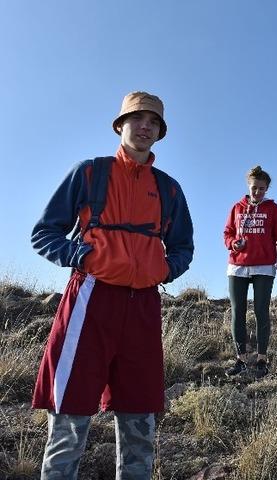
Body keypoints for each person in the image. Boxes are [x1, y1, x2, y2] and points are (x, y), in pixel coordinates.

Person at [30, 91, 193, 479]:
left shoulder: (169, 189)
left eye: (153, 122)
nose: (145, 127)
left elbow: (184, 247)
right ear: (120, 125)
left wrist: (164, 270)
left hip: (143, 306)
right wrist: (84, 258)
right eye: (137, 119)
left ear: (159, 132)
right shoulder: (90, 172)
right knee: (70, 414)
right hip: (90, 301)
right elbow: (44, 233)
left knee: (139, 415)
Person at [223, 166, 277, 378]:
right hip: (237, 266)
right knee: (238, 312)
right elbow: (227, 233)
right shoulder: (237, 208)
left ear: (267, 188)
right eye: (254, 188)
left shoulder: (274, 210)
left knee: (261, 311)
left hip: (264, 267)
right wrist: (234, 243)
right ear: (248, 186)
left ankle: (262, 359)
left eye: (262, 188)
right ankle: (240, 359)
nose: (257, 192)